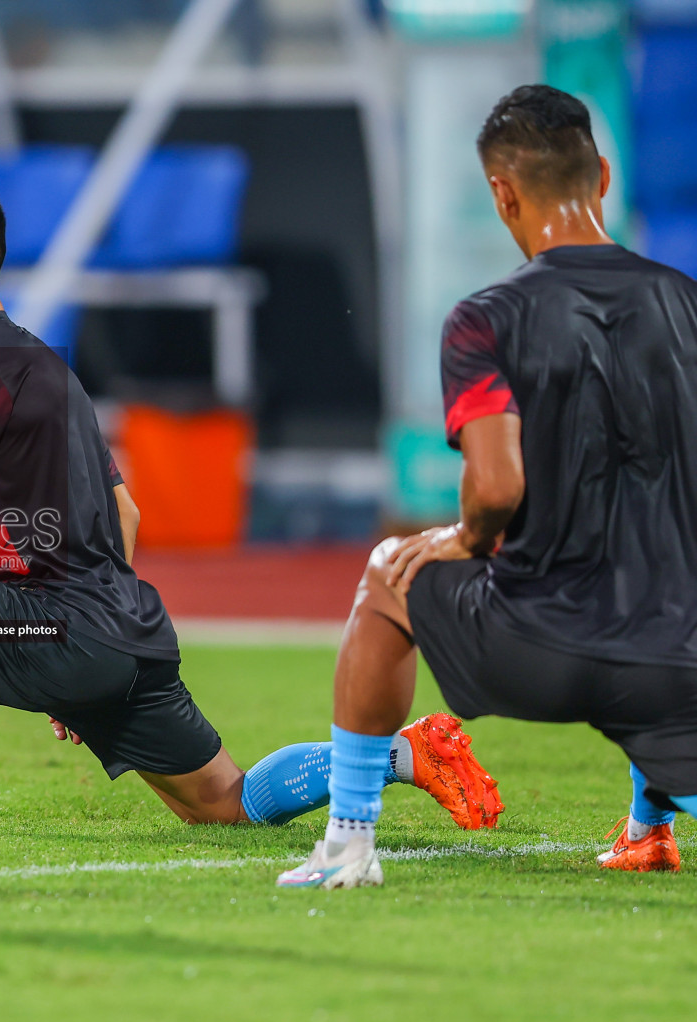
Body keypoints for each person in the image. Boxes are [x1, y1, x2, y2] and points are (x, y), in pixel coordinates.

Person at [0, 182, 501, 834]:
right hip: (123, 629)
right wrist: (79, 651)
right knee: (224, 801)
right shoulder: (45, 365)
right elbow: (128, 516)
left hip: (67, 630)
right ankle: (405, 753)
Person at [279, 85, 697, 891]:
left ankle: (348, 844)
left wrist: (462, 540)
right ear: (603, 177)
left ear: (501, 192)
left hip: (540, 648)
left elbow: (498, 486)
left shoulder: (486, 316)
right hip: (678, 661)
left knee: (387, 574)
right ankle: (650, 827)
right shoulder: (685, 305)